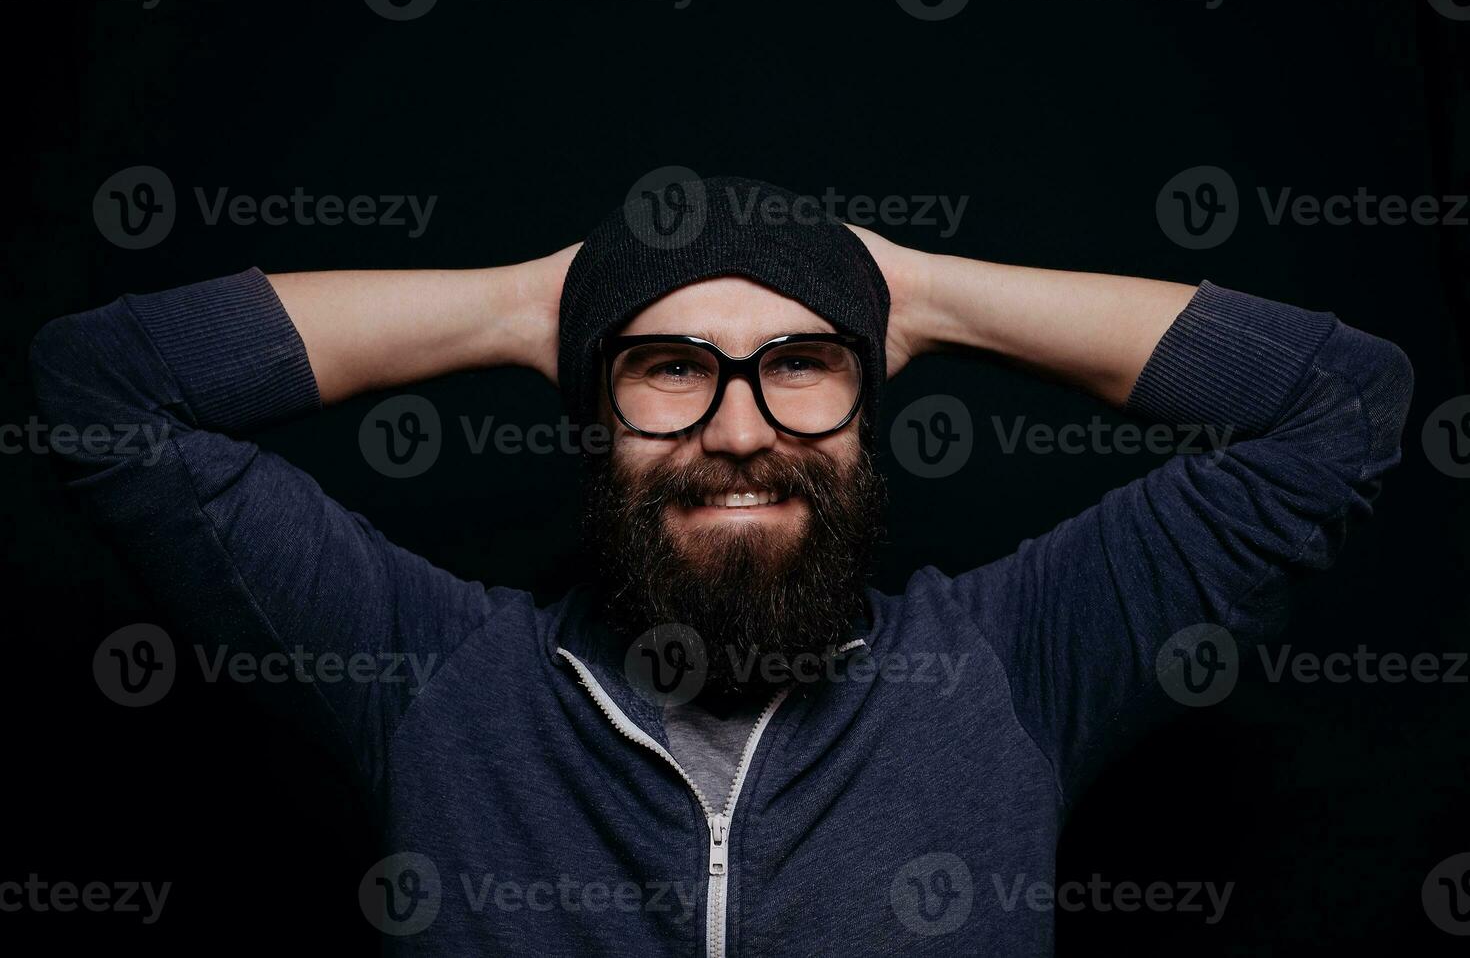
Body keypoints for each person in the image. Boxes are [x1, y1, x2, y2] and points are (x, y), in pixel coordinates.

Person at [29, 176, 1413, 955]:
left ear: (875, 411)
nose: (738, 432)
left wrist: (909, 289)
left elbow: (1338, 407)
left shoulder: (1015, 668)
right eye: (667, 372)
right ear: (591, 416)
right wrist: (534, 302)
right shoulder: (430, 680)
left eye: (803, 368)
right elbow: (95, 390)